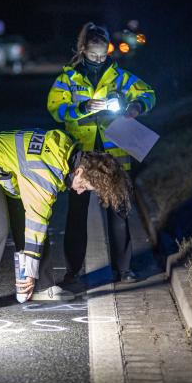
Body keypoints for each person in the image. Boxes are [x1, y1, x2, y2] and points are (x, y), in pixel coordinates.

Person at [0, 128, 131, 314]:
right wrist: (28, 273)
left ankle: (42, 287)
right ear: (79, 170)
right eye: (83, 185)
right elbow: (36, 222)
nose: (79, 191)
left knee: (31, 225)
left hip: (10, 172)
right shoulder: (44, 174)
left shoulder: (66, 154)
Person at [47, 22, 156, 290]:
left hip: (115, 152)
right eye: (93, 56)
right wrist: (83, 107)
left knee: (119, 210)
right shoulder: (68, 78)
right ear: (83, 50)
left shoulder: (120, 76)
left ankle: (125, 270)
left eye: (103, 55)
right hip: (80, 155)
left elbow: (149, 93)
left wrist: (136, 107)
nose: (98, 60)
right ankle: (73, 272)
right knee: (76, 215)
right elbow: (55, 109)